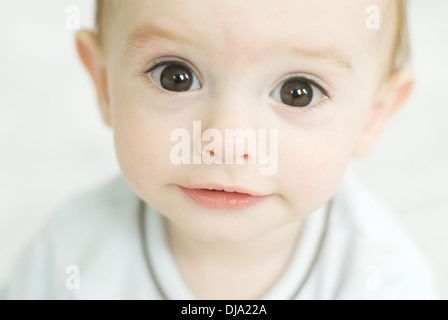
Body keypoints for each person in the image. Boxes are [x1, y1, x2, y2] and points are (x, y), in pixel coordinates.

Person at [0, 0, 436, 299]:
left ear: (374, 115)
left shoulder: (384, 280)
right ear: (104, 83)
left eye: (297, 92)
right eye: (175, 76)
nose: (226, 144)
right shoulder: (66, 259)